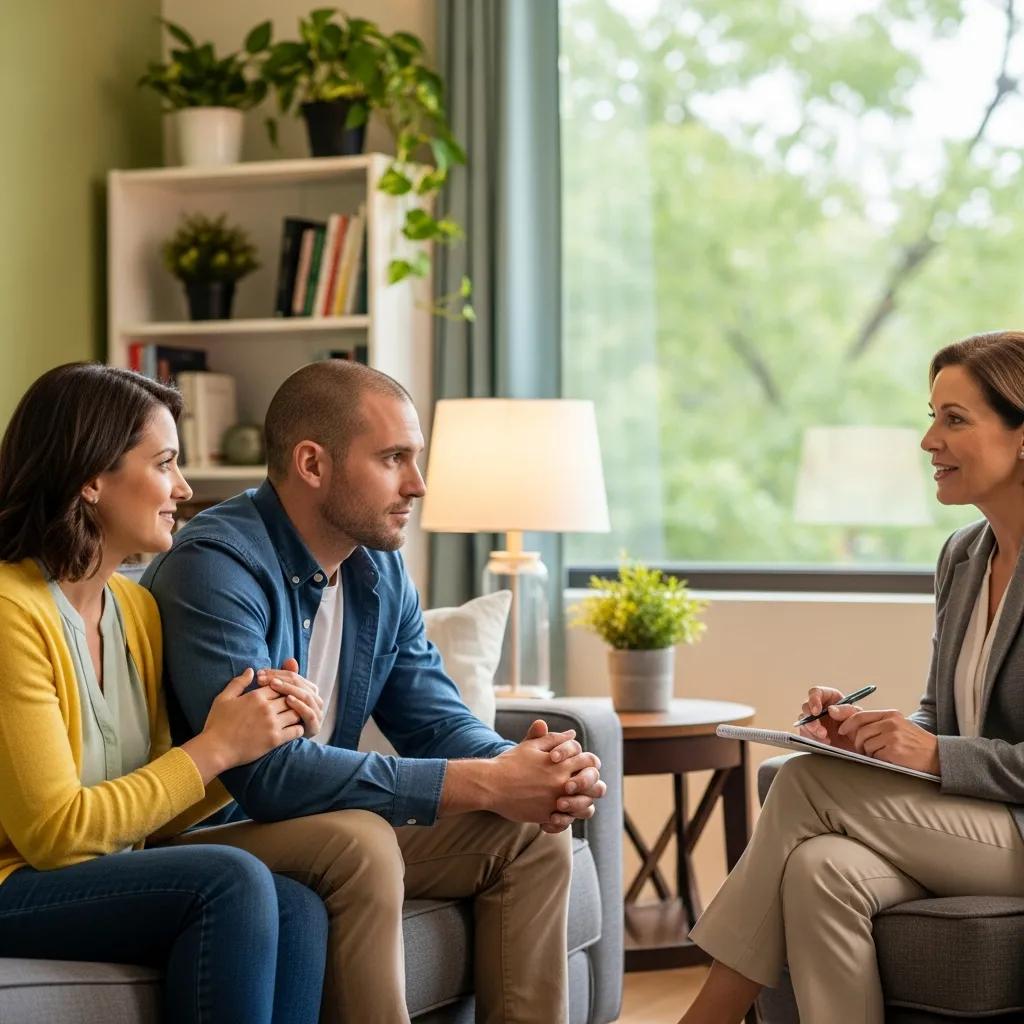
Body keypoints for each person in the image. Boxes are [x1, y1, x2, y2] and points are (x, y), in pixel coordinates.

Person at [143, 358, 608, 1024]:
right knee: (359, 838)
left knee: (532, 832)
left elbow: (436, 719)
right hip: (212, 838)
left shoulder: (378, 569)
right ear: (312, 464)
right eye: (394, 459)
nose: (417, 485)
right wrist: (483, 782)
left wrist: (528, 769)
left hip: (307, 821)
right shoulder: (216, 566)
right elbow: (269, 776)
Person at [678, 328, 1024, 1024]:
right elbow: (941, 716)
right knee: (819, 871)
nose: (930, 440)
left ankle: (706, 1016)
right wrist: (867, 735)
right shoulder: (962, 557)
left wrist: (934, 754)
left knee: (803, 782)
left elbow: (947, 750)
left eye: (954, 419)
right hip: (972, 824)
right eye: (931, 416)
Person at [0, 363, 328, 1024]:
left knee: (297, 902)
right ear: (91, 477)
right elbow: (55, 835)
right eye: (165, 463)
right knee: (229, 881)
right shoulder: (10, 612)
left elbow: (147, 809)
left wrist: (257, 734)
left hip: (82, 873)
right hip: (17, 884)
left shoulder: (135, 609)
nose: (182, 487)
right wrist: (211, 749)